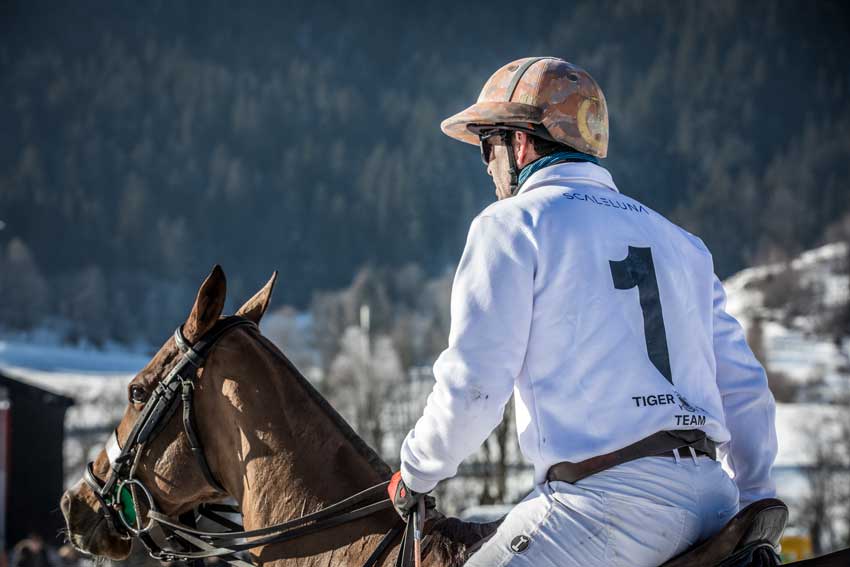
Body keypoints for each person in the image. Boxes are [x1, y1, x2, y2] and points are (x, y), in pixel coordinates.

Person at [387, 57, 777, 567]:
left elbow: (476, 386)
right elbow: (745, 391)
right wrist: (754, 499)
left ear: (520, 143)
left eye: (488, 144)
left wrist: (416, 471)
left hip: (604, 510)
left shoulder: (511, 224)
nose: (486, 163)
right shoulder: (685, 245)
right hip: (713, 502)